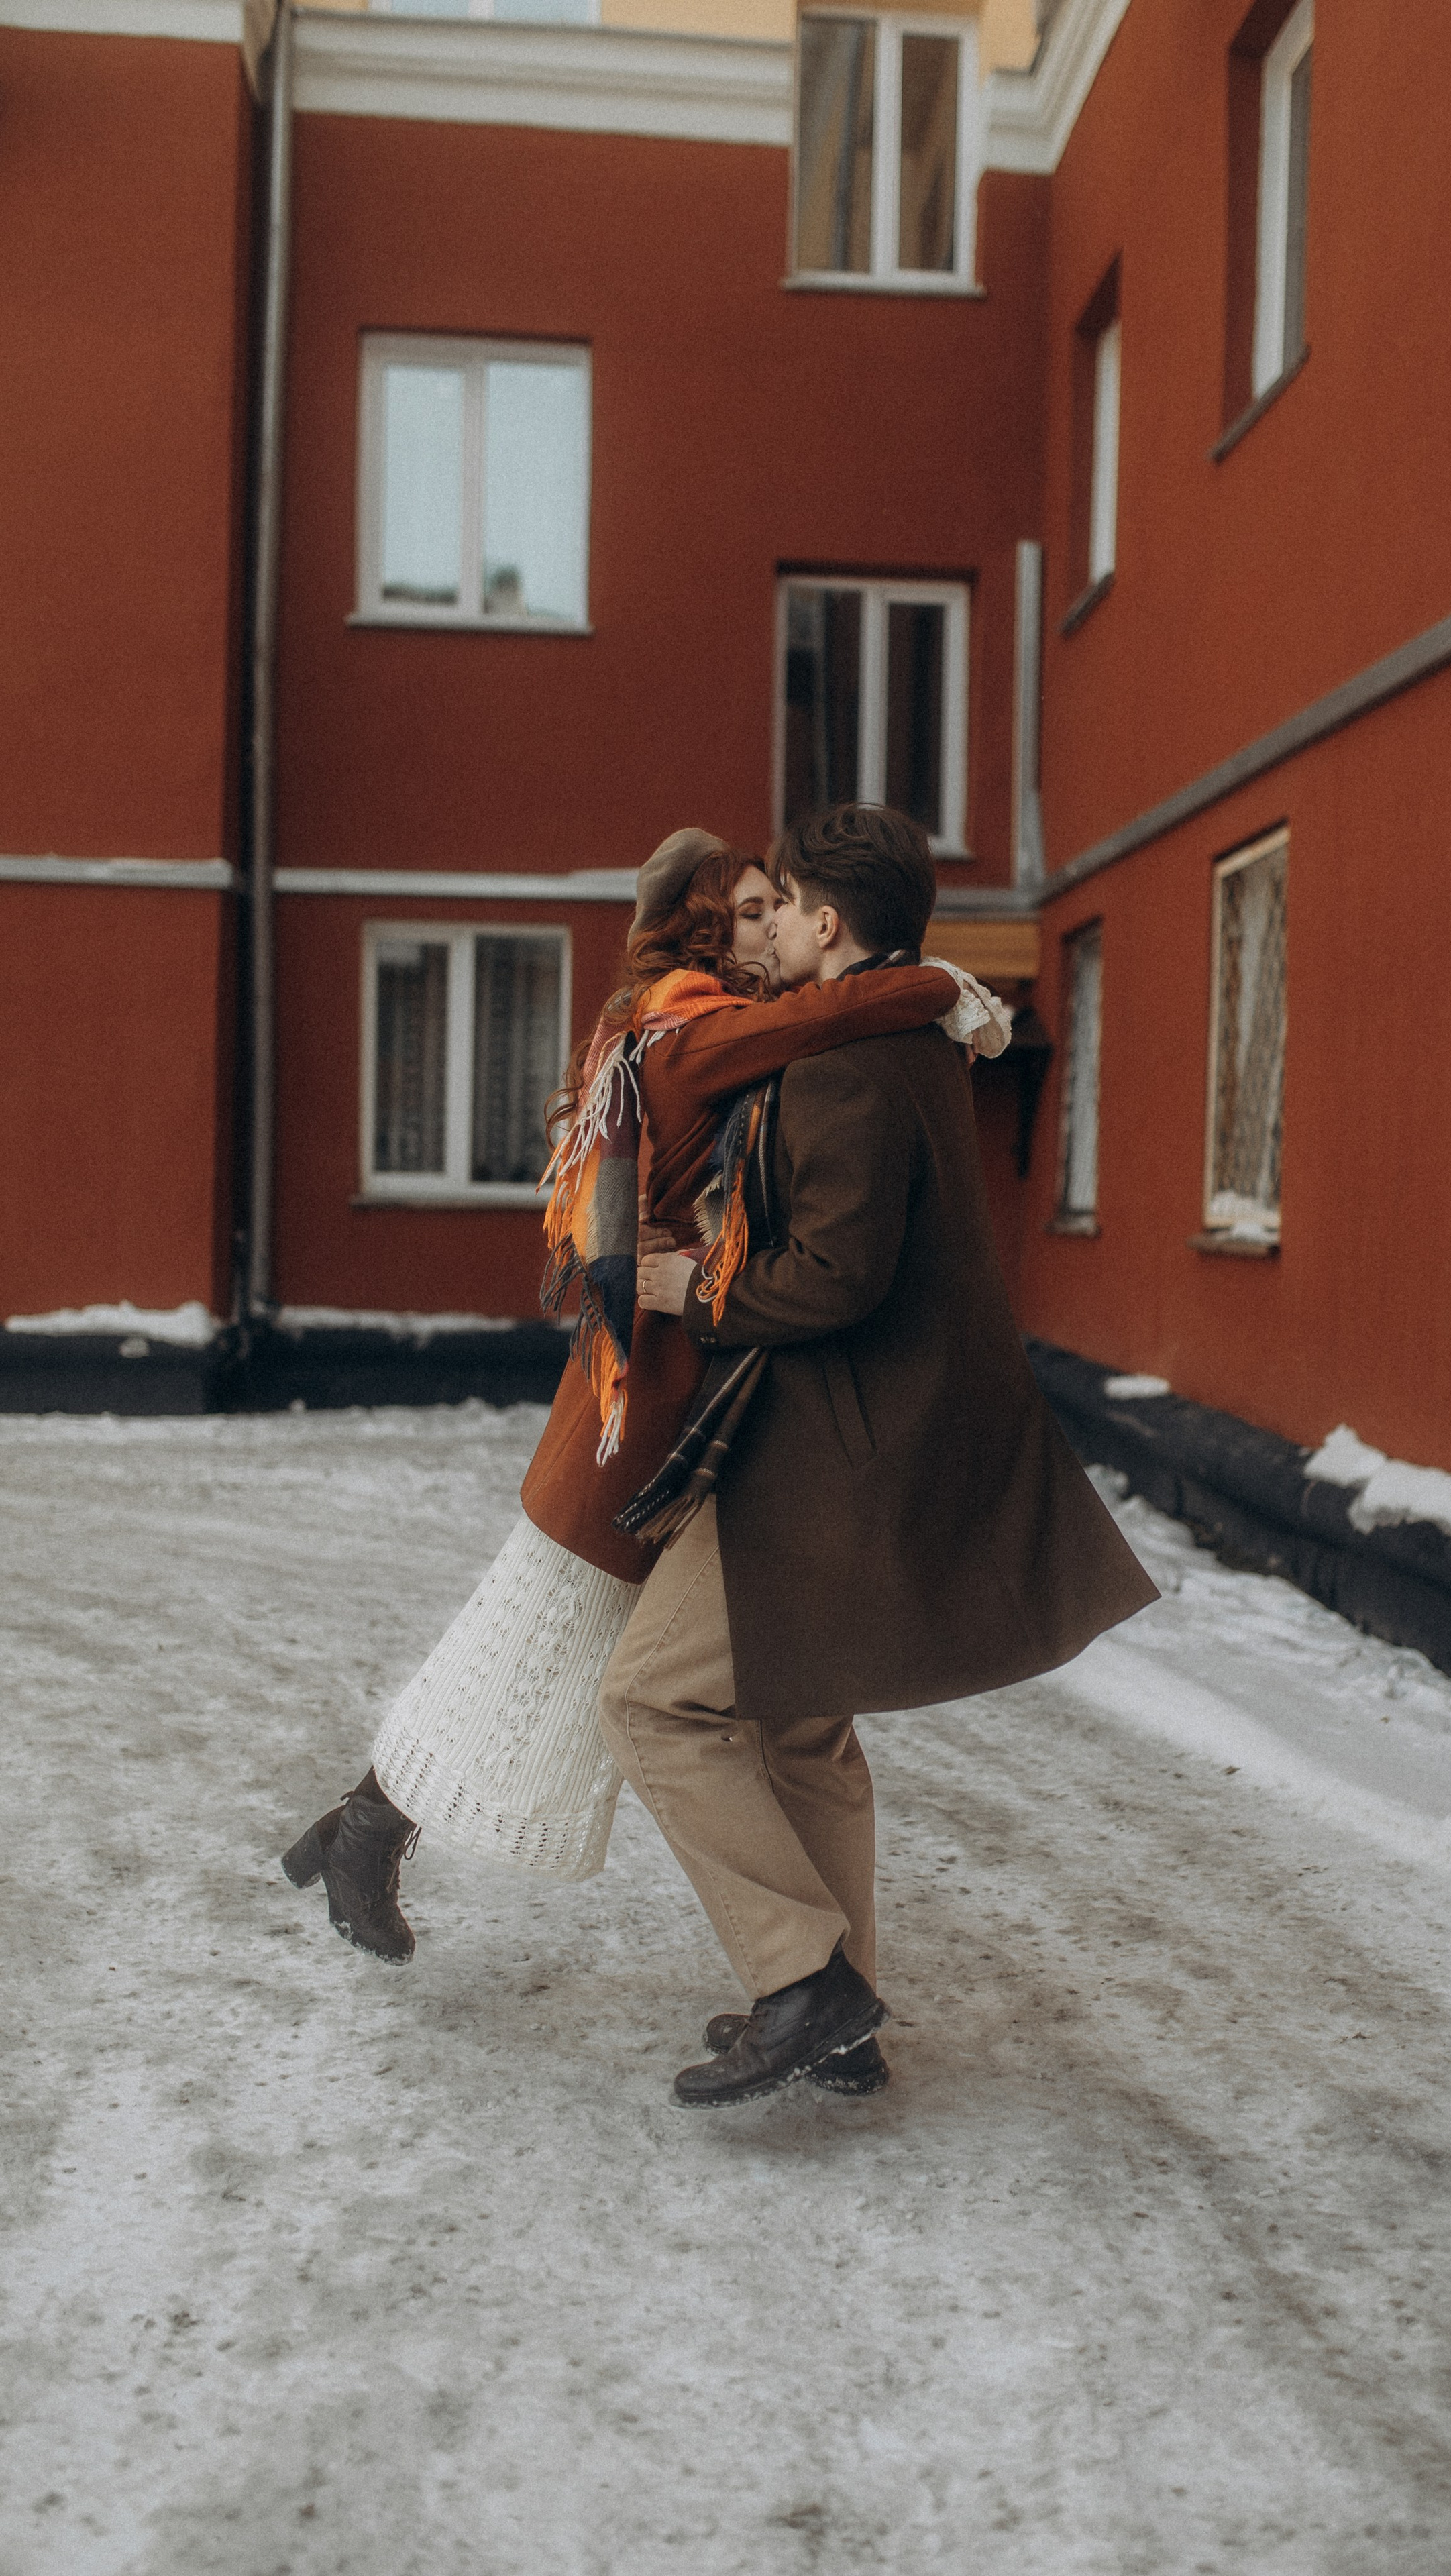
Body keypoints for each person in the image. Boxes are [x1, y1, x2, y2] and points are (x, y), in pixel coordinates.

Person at [282, 828, 1002, 1964]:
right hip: (646, 1398)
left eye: (783, 904)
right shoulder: (690, 1025)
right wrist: (929, 984)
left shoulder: (675, 1019)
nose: (778, 924)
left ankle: (365, 1826)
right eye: (756, 907)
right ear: (710, 924)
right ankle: (368, 1826)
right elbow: (818, 1020)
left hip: (663, 1392)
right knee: (543, 1640)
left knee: (558, 1644)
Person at [600, 804, 1159, 2109]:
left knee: (648, 1701)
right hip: (882, 1437)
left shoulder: (846, 1065)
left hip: (833, 1457)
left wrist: (690, 1289)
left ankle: (802, 1979)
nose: (771, 927)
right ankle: (837, 2020)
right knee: (800, 1728)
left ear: (828, 923)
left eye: (781, 906)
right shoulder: (899, 1042)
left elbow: (835, 1281)